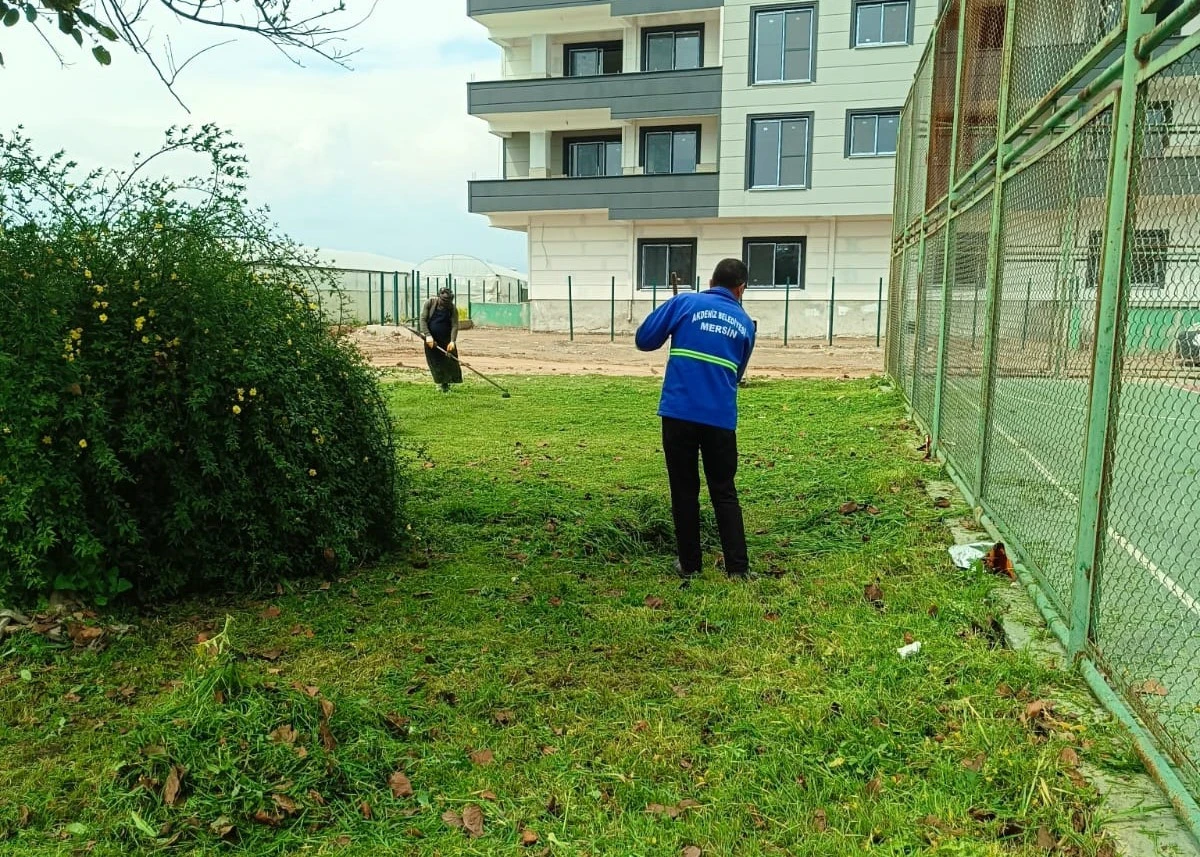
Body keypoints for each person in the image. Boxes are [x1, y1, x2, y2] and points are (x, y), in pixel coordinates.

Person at [635, 258, 756, 580]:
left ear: (712, 280)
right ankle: (738, 569)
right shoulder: (746, 323)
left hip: (680, 413)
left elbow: (644, 340)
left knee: (684, 489)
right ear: (741, 288)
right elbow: (737, 374)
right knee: (724, 490)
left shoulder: (685, 302)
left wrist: (673, 313)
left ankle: (689, 565)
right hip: (719, 417)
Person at [420, 287, 463, 393]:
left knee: (450, 361)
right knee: (436, 361)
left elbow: (454, 325)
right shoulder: (430, 303)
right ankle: (440, 383)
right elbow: (423, 319)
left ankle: (447, 383)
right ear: (439, 297)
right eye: (444, 300)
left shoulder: (452, 308)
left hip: (446, 339)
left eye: (448, 301)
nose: (446, 303)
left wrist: (452, 341)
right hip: (431, 340)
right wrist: (428, 335)